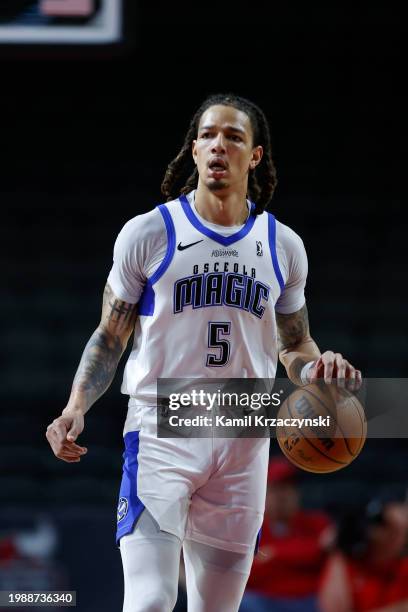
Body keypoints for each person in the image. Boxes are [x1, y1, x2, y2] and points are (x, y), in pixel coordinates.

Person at [45, 93, 362, 612]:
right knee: (148, 600)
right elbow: (109, 335)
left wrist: (318, 369)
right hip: (161, 424)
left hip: (243, 431)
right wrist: (76, 404)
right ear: (194, 150)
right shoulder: (148, 233)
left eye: (234, 137)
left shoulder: (283, 245)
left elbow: (296, 345)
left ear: (253, 156)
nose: (219, 145)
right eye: (209, 135)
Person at [240, 457, 333, 612]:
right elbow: (247, 573)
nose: (282, 496)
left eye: (287, 488)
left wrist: (275, 554)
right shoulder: (249, 527)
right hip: (263, 602)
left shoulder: (317, 523)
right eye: (275, 489)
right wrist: (310, 550)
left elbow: (326, 556)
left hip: (310, 600)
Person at [319, 500, 408, 612]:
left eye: (400, 532)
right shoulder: (347, 565)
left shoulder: (404, 568)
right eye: (379, 524)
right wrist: (340, 547)